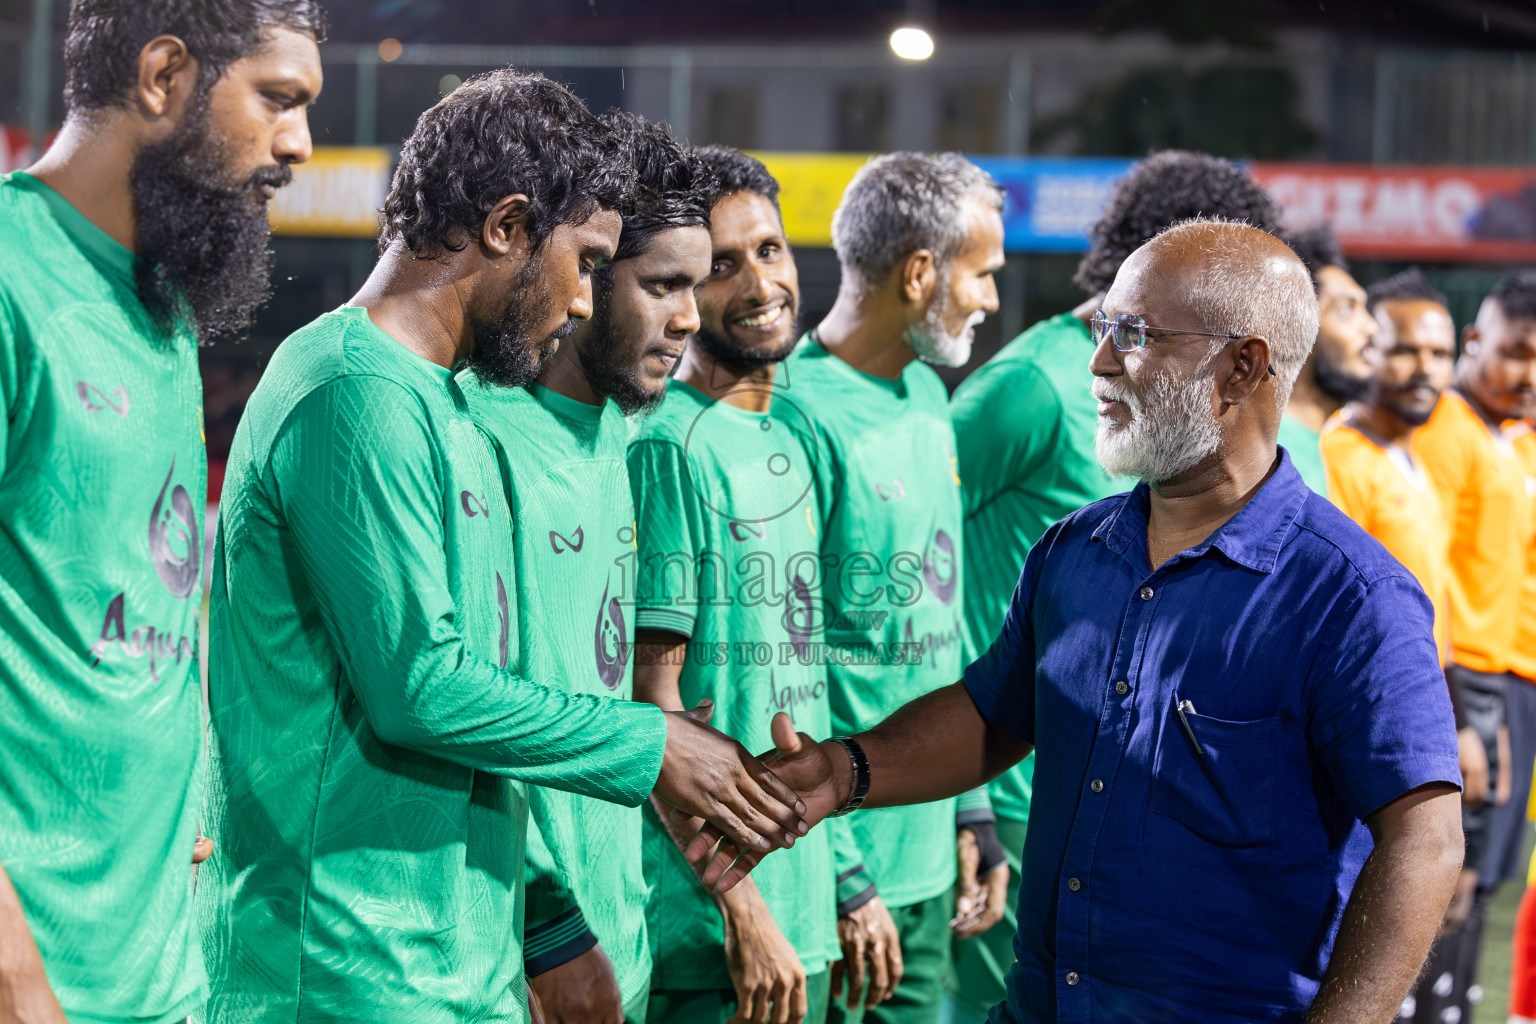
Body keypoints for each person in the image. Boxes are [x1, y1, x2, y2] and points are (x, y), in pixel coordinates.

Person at [703, 218, 1467, 1024]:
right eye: (1104, 328)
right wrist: (849, 771)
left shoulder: (1349, 595)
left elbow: (1425, 840)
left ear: (1241, 366)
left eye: (1134, 335)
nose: (1099, 363)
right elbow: (996, 714)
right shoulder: (1076, 550)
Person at [196, 71, 809, 1024]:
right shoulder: (351, 392)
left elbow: (491, 693)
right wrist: (652, 744)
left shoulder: (444, 406)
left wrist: (542, 920)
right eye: (583, 261)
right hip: (338, 967)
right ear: (508, 227)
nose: (576, 300)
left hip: (453, 955)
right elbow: (422, 687)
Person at [0, 2, 324, 1022]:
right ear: (163, 74)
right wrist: (14, 971)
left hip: (161, 975)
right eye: (278, 98)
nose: (300, 144)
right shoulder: (12, 279)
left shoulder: (163, 313)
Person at [943, 149, 1282, 1024]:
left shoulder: (1231, 407)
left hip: (1154, 815)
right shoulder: (1032, 384)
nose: (1108, 361)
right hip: (1023, 791)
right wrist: (965, 801)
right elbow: (907, 542)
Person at [465, 112, 718, 1024]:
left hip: (621, 943)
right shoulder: (477, 434)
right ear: (587, 274)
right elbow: (456, 712)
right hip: (518, 961)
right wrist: (547, 933)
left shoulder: (628, 437)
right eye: (662, 286)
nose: (689, 318)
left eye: (699, 285)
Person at [771, 152, 1005, 1024]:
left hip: (928, 868)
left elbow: (937, 626)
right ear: (919, 274)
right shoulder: (792, 413)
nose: (987, 297)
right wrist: (840, 871)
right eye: (981, 275)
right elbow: (779, 674)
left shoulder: (926, 395)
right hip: (837, 880)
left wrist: (972, 809)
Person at [627, 145, 848, 1024]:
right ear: (681, 290)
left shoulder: (789, 436)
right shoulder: (665, 449)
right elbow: (653, 710)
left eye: (770, 249)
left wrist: (848, 880)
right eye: (722, 265)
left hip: (809, 918)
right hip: (716, 939)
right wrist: (741, 908)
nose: (760, 284)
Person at [1409, 269, 1536, 1023]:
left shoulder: (1512, 438)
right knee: (1447, 877)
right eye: (1517, 352)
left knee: (1489, 875)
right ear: (1474, 342)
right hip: (1466, 680)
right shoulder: (1443, 433)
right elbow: (1431, 575)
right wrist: (1455, 704)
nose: (1530, 373)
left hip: (1511, 680)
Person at [1280, 224, 1382, 494]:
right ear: (1295, 327)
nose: (1372, 327)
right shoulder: (1268, 457)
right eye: (1347, 309)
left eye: (1365, 309)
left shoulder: (1322, 445)